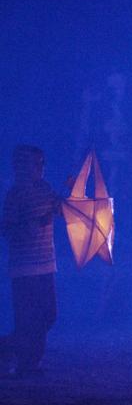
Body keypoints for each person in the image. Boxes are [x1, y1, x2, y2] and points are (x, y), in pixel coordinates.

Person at [0, 145, 59, 377]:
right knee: (27, 318)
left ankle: (16, 353)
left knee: (48, 314)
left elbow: (60, 209)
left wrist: (73, 194)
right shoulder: (15, 194)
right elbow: (6, 228)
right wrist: (35, 224)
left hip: (46, 264)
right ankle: (27, 364)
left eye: (42, 163)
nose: (41, 168)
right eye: (38, 163)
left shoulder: (46, 189)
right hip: (24, 268)